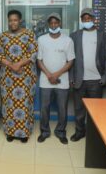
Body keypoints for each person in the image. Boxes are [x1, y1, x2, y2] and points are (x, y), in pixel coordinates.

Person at [69, 8, 106, 142]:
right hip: (79, 80)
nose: (87, 21)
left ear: (94, 19)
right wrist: (71, 78)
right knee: (79, 110)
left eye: (89, 18)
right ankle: (80, 132)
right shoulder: (74, 36)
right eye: (84, 19)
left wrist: (105, 77)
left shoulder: (103, 36)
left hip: (96, 80)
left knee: (96, 111)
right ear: (81, 20)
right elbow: (70, 59)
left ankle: (94, 136)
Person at [0, 9, 37, 143]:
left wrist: (18, 64)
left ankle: (24, 133)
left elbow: (33, 53)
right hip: (8, 78)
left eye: (15, 20)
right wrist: (12, 65)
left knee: (24, 104)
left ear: (20, 21)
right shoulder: (2, 36)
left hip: (25, 77)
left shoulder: (29, 34)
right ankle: (10, 132)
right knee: (9, 104)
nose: (12, 23)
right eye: (10, 20)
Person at [37, 13, 74, 145]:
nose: (53, 25)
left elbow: (70, 61)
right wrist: (49, 74)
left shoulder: (67, 40)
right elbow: (39, 60)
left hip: (62, 81)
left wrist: (56, 74)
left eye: (56, 23)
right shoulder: (41, 40)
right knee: (44, 108)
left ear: (60, 24)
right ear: (48, 25)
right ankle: (44, 131)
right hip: (45, 80)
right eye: (51, 23)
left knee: (62, 108)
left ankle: (60, 132)